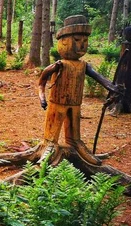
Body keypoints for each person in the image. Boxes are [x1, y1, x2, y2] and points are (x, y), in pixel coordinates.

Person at [38, 15, 122, 165]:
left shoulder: (84, 65)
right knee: (53, 129)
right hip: (57, 102)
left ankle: (76, 143)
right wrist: (42, 97)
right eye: (76, 40)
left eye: (85, 41)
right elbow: (42, 81)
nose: (81, 45)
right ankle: (50, 144)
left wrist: (112, 87)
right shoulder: (60, 64)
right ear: (63, 41)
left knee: (74, 133)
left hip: (76, 103)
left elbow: (99, 77)